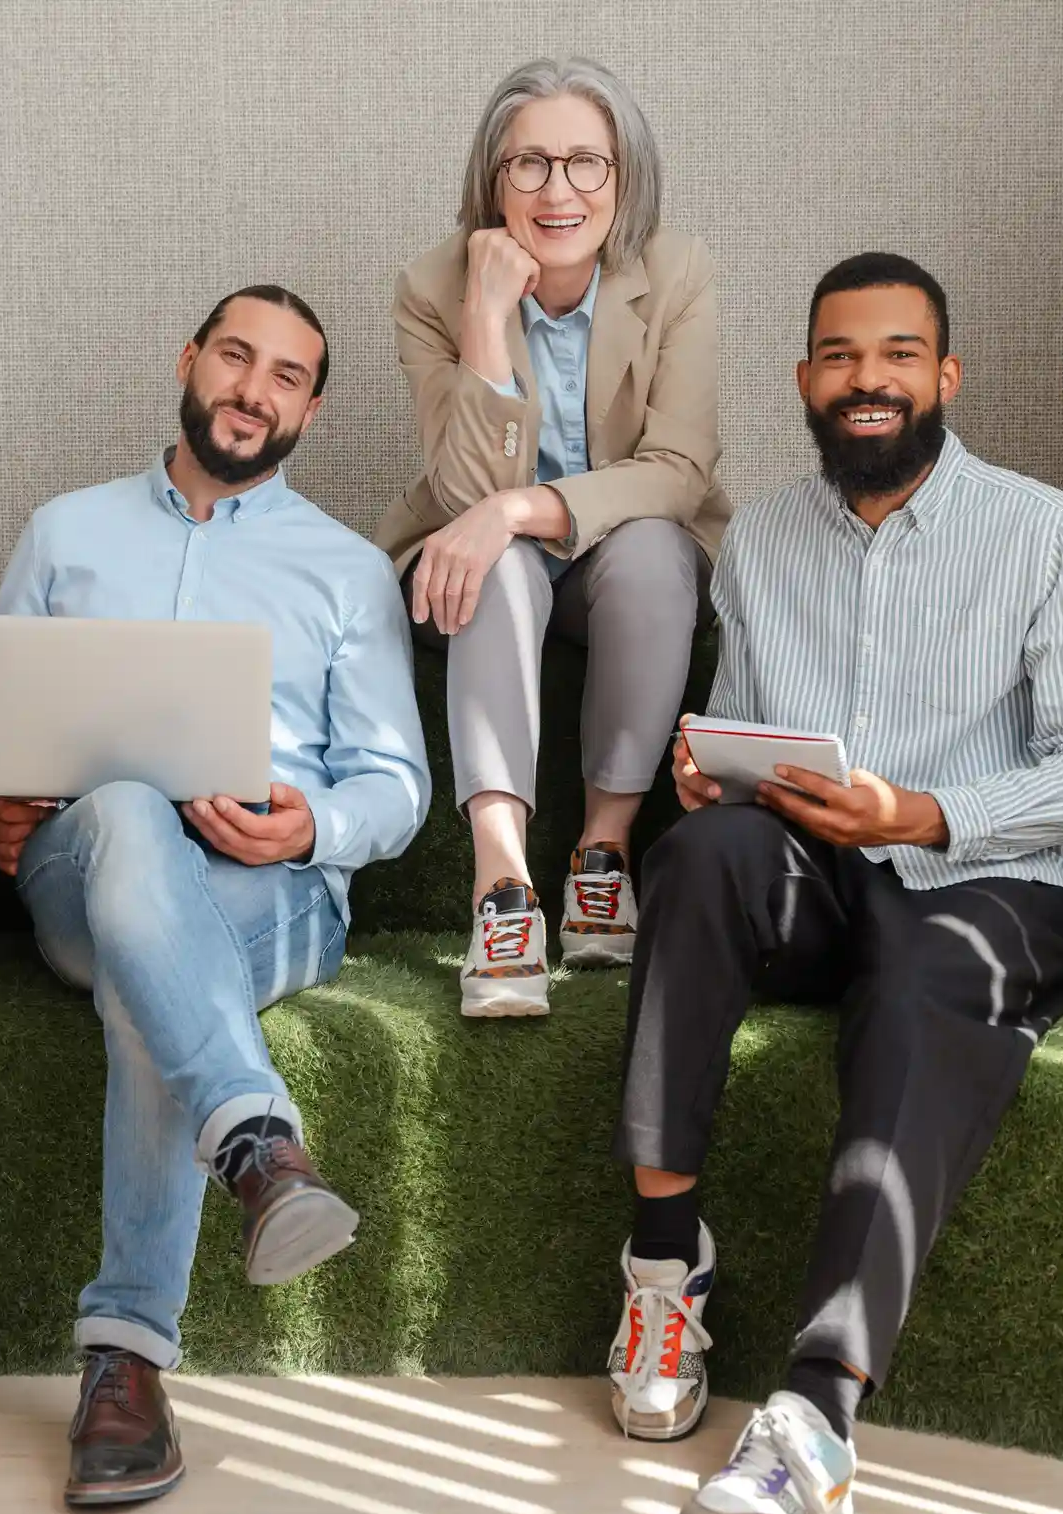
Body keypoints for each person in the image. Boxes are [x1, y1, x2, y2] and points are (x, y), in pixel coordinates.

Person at [606, 253, 1063, 1514]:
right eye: (841, 357)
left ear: (945, 377)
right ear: (805, 381)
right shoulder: (764, 540)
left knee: (915, 981)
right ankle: (665, 1267)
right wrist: (705, 769)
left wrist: (923, 813)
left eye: (898, 355)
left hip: (983, 876)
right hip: (813, 866)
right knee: (694, 858)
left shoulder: (1041, 532)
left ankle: (816, 1416)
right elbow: (751, 733)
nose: (869, 380)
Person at [0, 286, 430, 1508]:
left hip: (274, 891)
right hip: (81, 859)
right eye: (235, 358)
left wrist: (309, 821)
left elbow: (397, 785)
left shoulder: (347, 570)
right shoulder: (67, 531)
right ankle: (257, 1145)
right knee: (119, 807)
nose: (253, 390)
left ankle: (126, 1367)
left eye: (285, 375)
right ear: (190, 360)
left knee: (147, 984)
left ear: (310, 407)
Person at [378, 56, 728, 1019]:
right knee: (495, 567)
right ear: (494, 181)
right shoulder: (429, 286)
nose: (558, 191)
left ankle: (602, 850)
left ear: (625, 178)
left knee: (657, 543)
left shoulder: (678, 271)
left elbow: (678, 467)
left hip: (627, 558)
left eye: (586, 164)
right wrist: (488, 316)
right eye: (528, 165)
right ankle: (503, 885)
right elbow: (465, 491)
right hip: (494, 571)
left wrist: (518, 510)